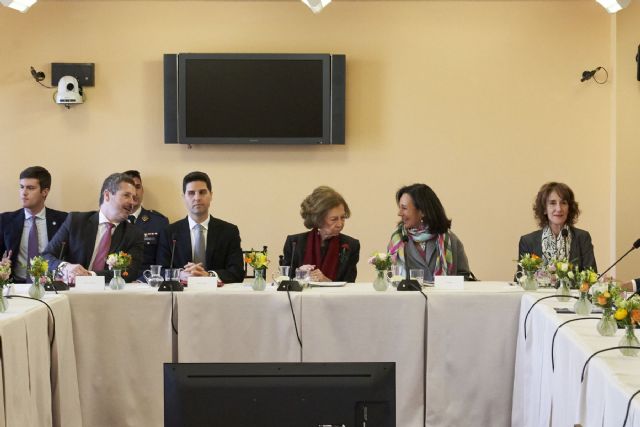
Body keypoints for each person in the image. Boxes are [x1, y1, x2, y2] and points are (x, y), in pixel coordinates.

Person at [42, 173, 144, 283]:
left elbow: (129, 273)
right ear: (107, 195)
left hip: (109, 295)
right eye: (126, 195)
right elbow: (46, 257)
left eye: (133, 197)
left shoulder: (134, 234)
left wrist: (89, 276)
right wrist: (65, 267)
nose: (132, 202)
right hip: (72, 292)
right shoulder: (75, 221)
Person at [156, 171, 244, 284]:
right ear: (184, 197)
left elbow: (237, 272)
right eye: (191, 193)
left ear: (211, 195)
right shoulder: (169, 232)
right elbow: (160, 270)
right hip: (181, 296)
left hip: (218, 296)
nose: (197, 198)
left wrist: (209, 275)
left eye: (202, 192)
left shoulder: (229, 232)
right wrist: (180, 274)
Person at [387, 183, 471, 282]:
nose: (399, 213)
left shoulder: (449, 239)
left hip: (443, 297)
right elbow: (390, 277)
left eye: (404, 208)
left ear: (423, 211)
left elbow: (464, 276)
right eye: (399, 208)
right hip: (407, 298)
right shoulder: (397, 241)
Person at [0, 166, 67, 282]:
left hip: (52, 286)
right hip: (16, 286)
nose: (24, 193)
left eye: (30, 188)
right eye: (21, 187)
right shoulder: (5, 220)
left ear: (45, 192)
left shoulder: (63, 220)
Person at [281, 186, 360, 282]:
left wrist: (327, 282)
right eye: (334, 219)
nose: (340, 224)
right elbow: (285, 282)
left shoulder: (351, 245)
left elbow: (349, 285)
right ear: (318, 219)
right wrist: (300, 275)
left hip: (335, 297)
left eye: (343, 217)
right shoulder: (294, 243)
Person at [518, 182, 596, 271]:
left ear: (569, 208)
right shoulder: (528, 241)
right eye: (552, 203)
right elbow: (520, 278)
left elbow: (591, 276)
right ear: (544, 209)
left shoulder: (582, 238)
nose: (559, 209)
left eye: (563, 203)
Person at [123, 170, 169, 280]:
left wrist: (142, 280)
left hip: (146, 283)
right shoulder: (113, 221)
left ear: (142, 191)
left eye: (137, 187)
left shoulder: (159, 222)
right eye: (128, 189)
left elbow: (163, 265)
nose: (134, 192)